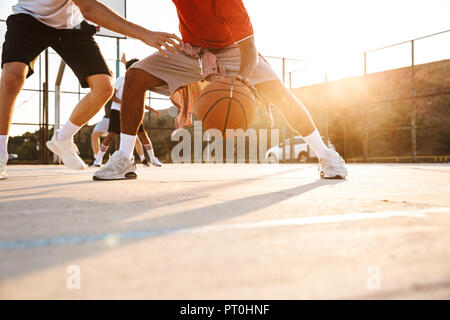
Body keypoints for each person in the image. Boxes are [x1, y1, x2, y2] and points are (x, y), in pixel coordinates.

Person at [94, 0, 347, 180]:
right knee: (134, 76)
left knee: (280, 93)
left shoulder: (228, 2)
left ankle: (326, 156)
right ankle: (125, 159)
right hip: (191, 51)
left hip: (233, 53)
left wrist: (242, 80)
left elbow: (249, 51)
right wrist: (142, 34)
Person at [0, 0, 180, 180]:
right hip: (29, 18)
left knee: (104, 88)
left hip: (71, 26)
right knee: (12, 78)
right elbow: (89, 8)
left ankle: (62, 139)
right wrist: (144, 34)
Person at [93, 58, 162, 167]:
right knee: (110, 135)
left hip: (133, 112)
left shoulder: (139, 82)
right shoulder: (121, 79)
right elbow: (112, 96)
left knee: (143, 135)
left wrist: (152, 109)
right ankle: (98, 160)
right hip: (117, 111)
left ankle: (153, 159)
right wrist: (124, 102)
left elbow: (139, 101)